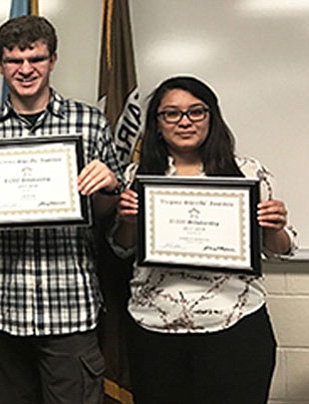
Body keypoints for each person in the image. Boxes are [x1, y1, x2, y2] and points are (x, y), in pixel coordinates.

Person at [0, 16, 123, 404]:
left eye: (36, 58)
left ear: (53, 60)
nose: (26, 69)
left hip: (69, 305)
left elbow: (104, 214)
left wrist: (110, 185)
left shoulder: (91, 124)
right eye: (14, 60)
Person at [110, 76, 298, 404]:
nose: (185, 121)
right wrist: (127, 221)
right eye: (171, 113)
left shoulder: (249, 174)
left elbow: (279, 251)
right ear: (156, 123)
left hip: (234, 330)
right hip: (154, 331)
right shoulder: (135, 176)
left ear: (212, 117)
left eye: (196, 111)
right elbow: (121, 247)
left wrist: (274, 227)